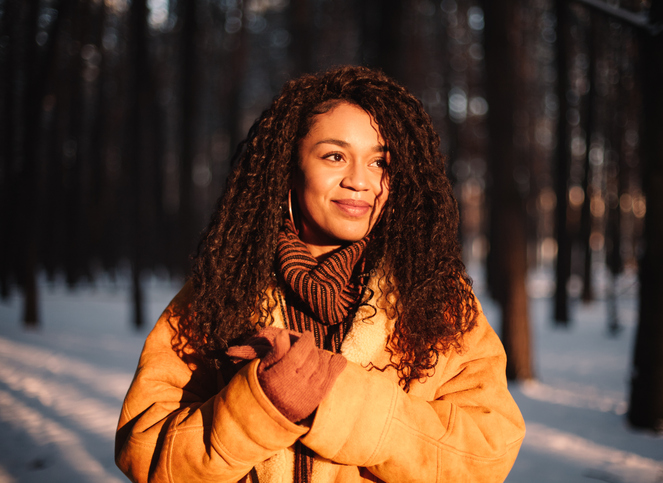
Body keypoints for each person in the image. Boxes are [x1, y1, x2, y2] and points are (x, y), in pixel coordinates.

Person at [115, 65, 525, 483]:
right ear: (289, 166)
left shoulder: (435, 296)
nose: (360, 181)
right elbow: (143, 450)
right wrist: (259, 406)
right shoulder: (222, 289)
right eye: (335, 156)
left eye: (379, 161)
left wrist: (334, 399)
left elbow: (489, 452)